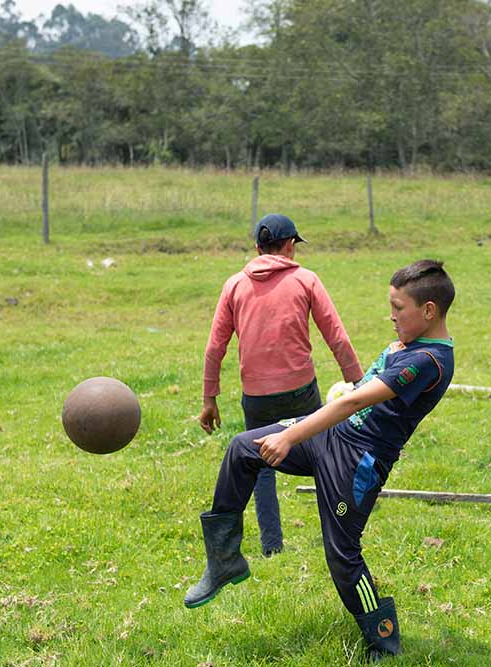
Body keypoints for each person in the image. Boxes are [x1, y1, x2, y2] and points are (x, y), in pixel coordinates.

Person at [186, 259, 456, 662]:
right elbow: (360, 390)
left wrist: (289, 435)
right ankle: (224, 560)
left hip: (358, 460)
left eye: (399, 308)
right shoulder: (410, 345)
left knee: (342, 553)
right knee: (243, 448)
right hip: (332, 436)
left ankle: (384, 639)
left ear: (429, 310)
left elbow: (357, 401)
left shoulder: (429, 361)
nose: (392, 315)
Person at [199, 213, 364, 557]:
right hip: (300, 390)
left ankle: (271, 546)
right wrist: (358, 382)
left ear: (257, 248)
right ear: (290, 246)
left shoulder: (234, 285)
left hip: (256, 396)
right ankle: (337, 530)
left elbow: (215, 346)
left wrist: (209, 398)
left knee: (261, 467)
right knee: (326, 455)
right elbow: (336, 334)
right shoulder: (306, 279)